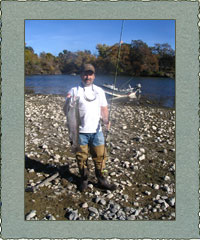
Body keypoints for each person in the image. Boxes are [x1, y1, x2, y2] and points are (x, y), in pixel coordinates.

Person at [64, 63, 116, 192]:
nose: (88, 77)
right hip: (79, 132)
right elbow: (65, 110)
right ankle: (84, 178)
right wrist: (68, 102)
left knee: (101, 156)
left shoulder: (99, 91)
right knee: (81, 157)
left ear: (94, 75)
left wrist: (106, 120)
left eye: (90, 74)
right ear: (81, 75)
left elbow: (103, 108)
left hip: (97, 131)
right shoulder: (74, 90)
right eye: (85, 74)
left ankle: (101, 178)